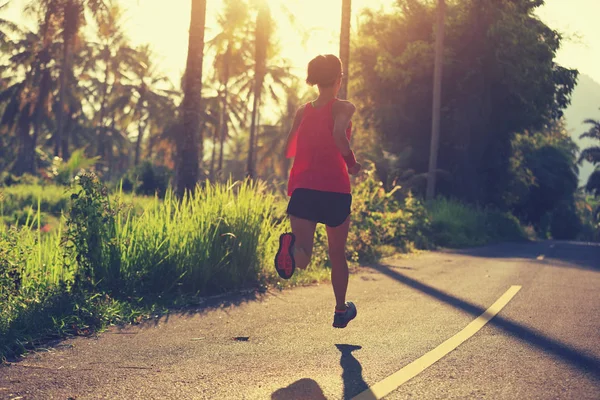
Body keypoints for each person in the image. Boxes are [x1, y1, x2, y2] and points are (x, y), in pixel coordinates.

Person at [274, 54, 361, 329]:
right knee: (337, 253)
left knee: (303, 257)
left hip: (303, 188)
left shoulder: (303, 110)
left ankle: (289, 247)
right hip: (334, 189)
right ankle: (340, 310)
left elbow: (289, 148)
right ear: (338, 79)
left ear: (313, 79)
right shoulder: (344, 107)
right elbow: (339, 135)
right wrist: (352, 163)